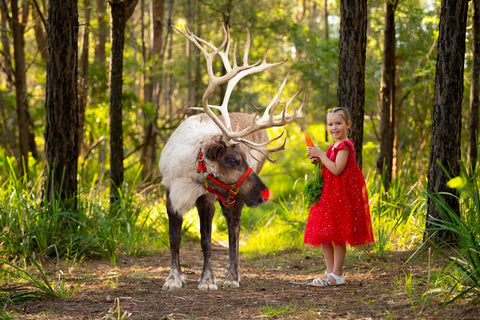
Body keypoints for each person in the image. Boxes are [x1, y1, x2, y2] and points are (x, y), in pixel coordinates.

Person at [304, 107, 374, 286]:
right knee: (325, 234)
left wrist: (321, 154)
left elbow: (337, 169)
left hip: (341, 196)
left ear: (348, 125)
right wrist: (318, 160)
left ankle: (338, 274)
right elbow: (328, 167)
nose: (334, 127)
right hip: (329, 195)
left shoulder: (344, 146)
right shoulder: (332, 146)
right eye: (330, 124)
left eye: (338, 123)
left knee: (337, 235)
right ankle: (329, 272)